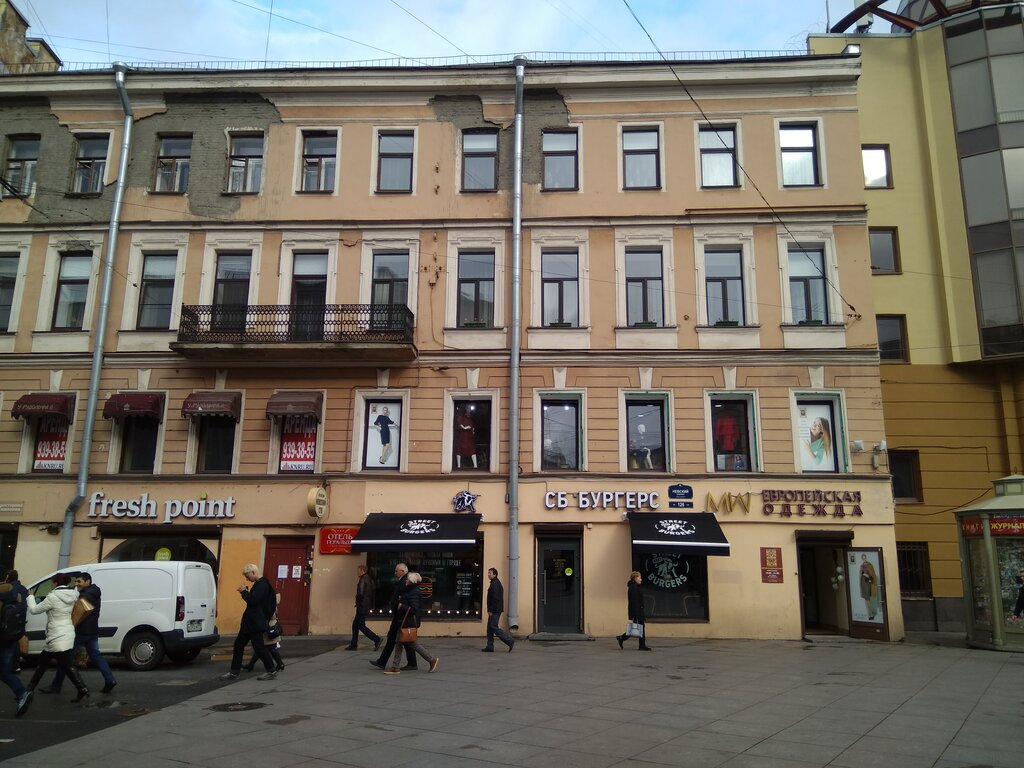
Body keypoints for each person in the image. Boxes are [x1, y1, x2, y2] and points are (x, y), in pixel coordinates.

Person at [44, 572, 117, 695]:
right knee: (96, 656)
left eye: (79, 582)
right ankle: (110, 679)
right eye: (76, 581)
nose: (77, 584)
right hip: (93, 631)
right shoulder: (95, 591)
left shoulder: (84, 595)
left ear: (88, 581)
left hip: (81, 631)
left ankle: (56, 686)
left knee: (65, 658)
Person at [26, 573, 91, 701]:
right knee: (48, 663)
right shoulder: (73, 594)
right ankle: (29, 689)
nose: (51, 585)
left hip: (56, 635)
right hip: (66, 632)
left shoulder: (53, 597)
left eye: (52, 582)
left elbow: (34, 610)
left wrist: (31, 597)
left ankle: (82, 689)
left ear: (55, 583)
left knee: (59, 664)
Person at [219, 564, 279, 681]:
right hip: (251, 622)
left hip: (254, 623)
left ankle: (271, 670)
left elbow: (253, 600)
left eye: (247, 576)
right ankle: (234, 672)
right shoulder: (262, 584)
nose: (247, 579)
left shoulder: (261, 584)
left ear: (253, 572)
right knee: (239, 645)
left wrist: (243, 592)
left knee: (258, 647)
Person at [384, 572, 439, 674]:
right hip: (403, 621)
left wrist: (401, 606)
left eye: (408, 579)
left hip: (407, 622)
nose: (406, 580)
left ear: (412, 581)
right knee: (399, 643)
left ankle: (431, 659)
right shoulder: (410, 590)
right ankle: (395, 667)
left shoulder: (414, 592)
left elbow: (414, 609)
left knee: (411, 643)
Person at [369, 563, 417, 671]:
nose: (395, 572)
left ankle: (421, 661)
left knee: (403, 640)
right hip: (399, 615)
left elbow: (404, 598)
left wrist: (398, 606)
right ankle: (384, 661)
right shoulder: (403, 580)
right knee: (396, 639)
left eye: (396, 571)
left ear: (403, 571)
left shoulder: (405, 581)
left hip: (400, 616)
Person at [0, 569, 33, 717]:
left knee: (3, 670)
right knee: (4, 670)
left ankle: (21, 693)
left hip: (3, 635)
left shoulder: (4, 591)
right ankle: (21, 693)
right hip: (12, 634)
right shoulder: (20, 590)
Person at [243, 592, 284, 672]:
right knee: (261, 647)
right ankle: (251, 664)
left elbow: (268, 615)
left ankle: (280, 664)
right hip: (268, 626)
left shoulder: (269, 605)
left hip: (269, 628)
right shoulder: (271, 603)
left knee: (269, 647)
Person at [345, 565, 381, 651]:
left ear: (362, 570)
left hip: (362, 605)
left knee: (360, 625)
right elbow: (373, 590)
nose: (357, 572)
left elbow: (360, 593)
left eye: (358, 570)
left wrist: (358, 602)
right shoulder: (369, 578)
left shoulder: (363, 579)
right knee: (355, 625)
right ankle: (353, 644)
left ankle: (376, 639)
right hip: (366, 605)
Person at [481, 567, 515, 653]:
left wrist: (491, 610)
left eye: (490, 573)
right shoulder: (494, 582)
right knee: (489, 628)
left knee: (493, 627)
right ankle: (490, 646)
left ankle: (509, 640)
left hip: (495, 610)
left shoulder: (495, 584)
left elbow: (496, 598)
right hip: (494, 609)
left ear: (494, 574)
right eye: (488, 573)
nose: (488, 574)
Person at [616, 571, 651, 651]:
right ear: (635, 578)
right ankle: (641, 645)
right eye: (639, 577)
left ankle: (622, 638)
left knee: (637, 628)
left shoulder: (635, 587)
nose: (641, 579)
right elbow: (634, 601)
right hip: (637, 611)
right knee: (638, 627)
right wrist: (636, 613)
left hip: (638, 611)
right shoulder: (633, 588)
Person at [858, 554, 879, 620]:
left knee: (867, 599)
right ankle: (870, 614)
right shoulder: (861, 566)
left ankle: (871, 614)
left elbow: (873, 574)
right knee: (866, 599)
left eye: (865, 558)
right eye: (863, 558)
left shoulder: (870, 565)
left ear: (866, 558)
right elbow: (860, 575)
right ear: (862, 559)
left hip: (868, 582)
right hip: (863, 582)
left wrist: (867, 575)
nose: (864, 559)